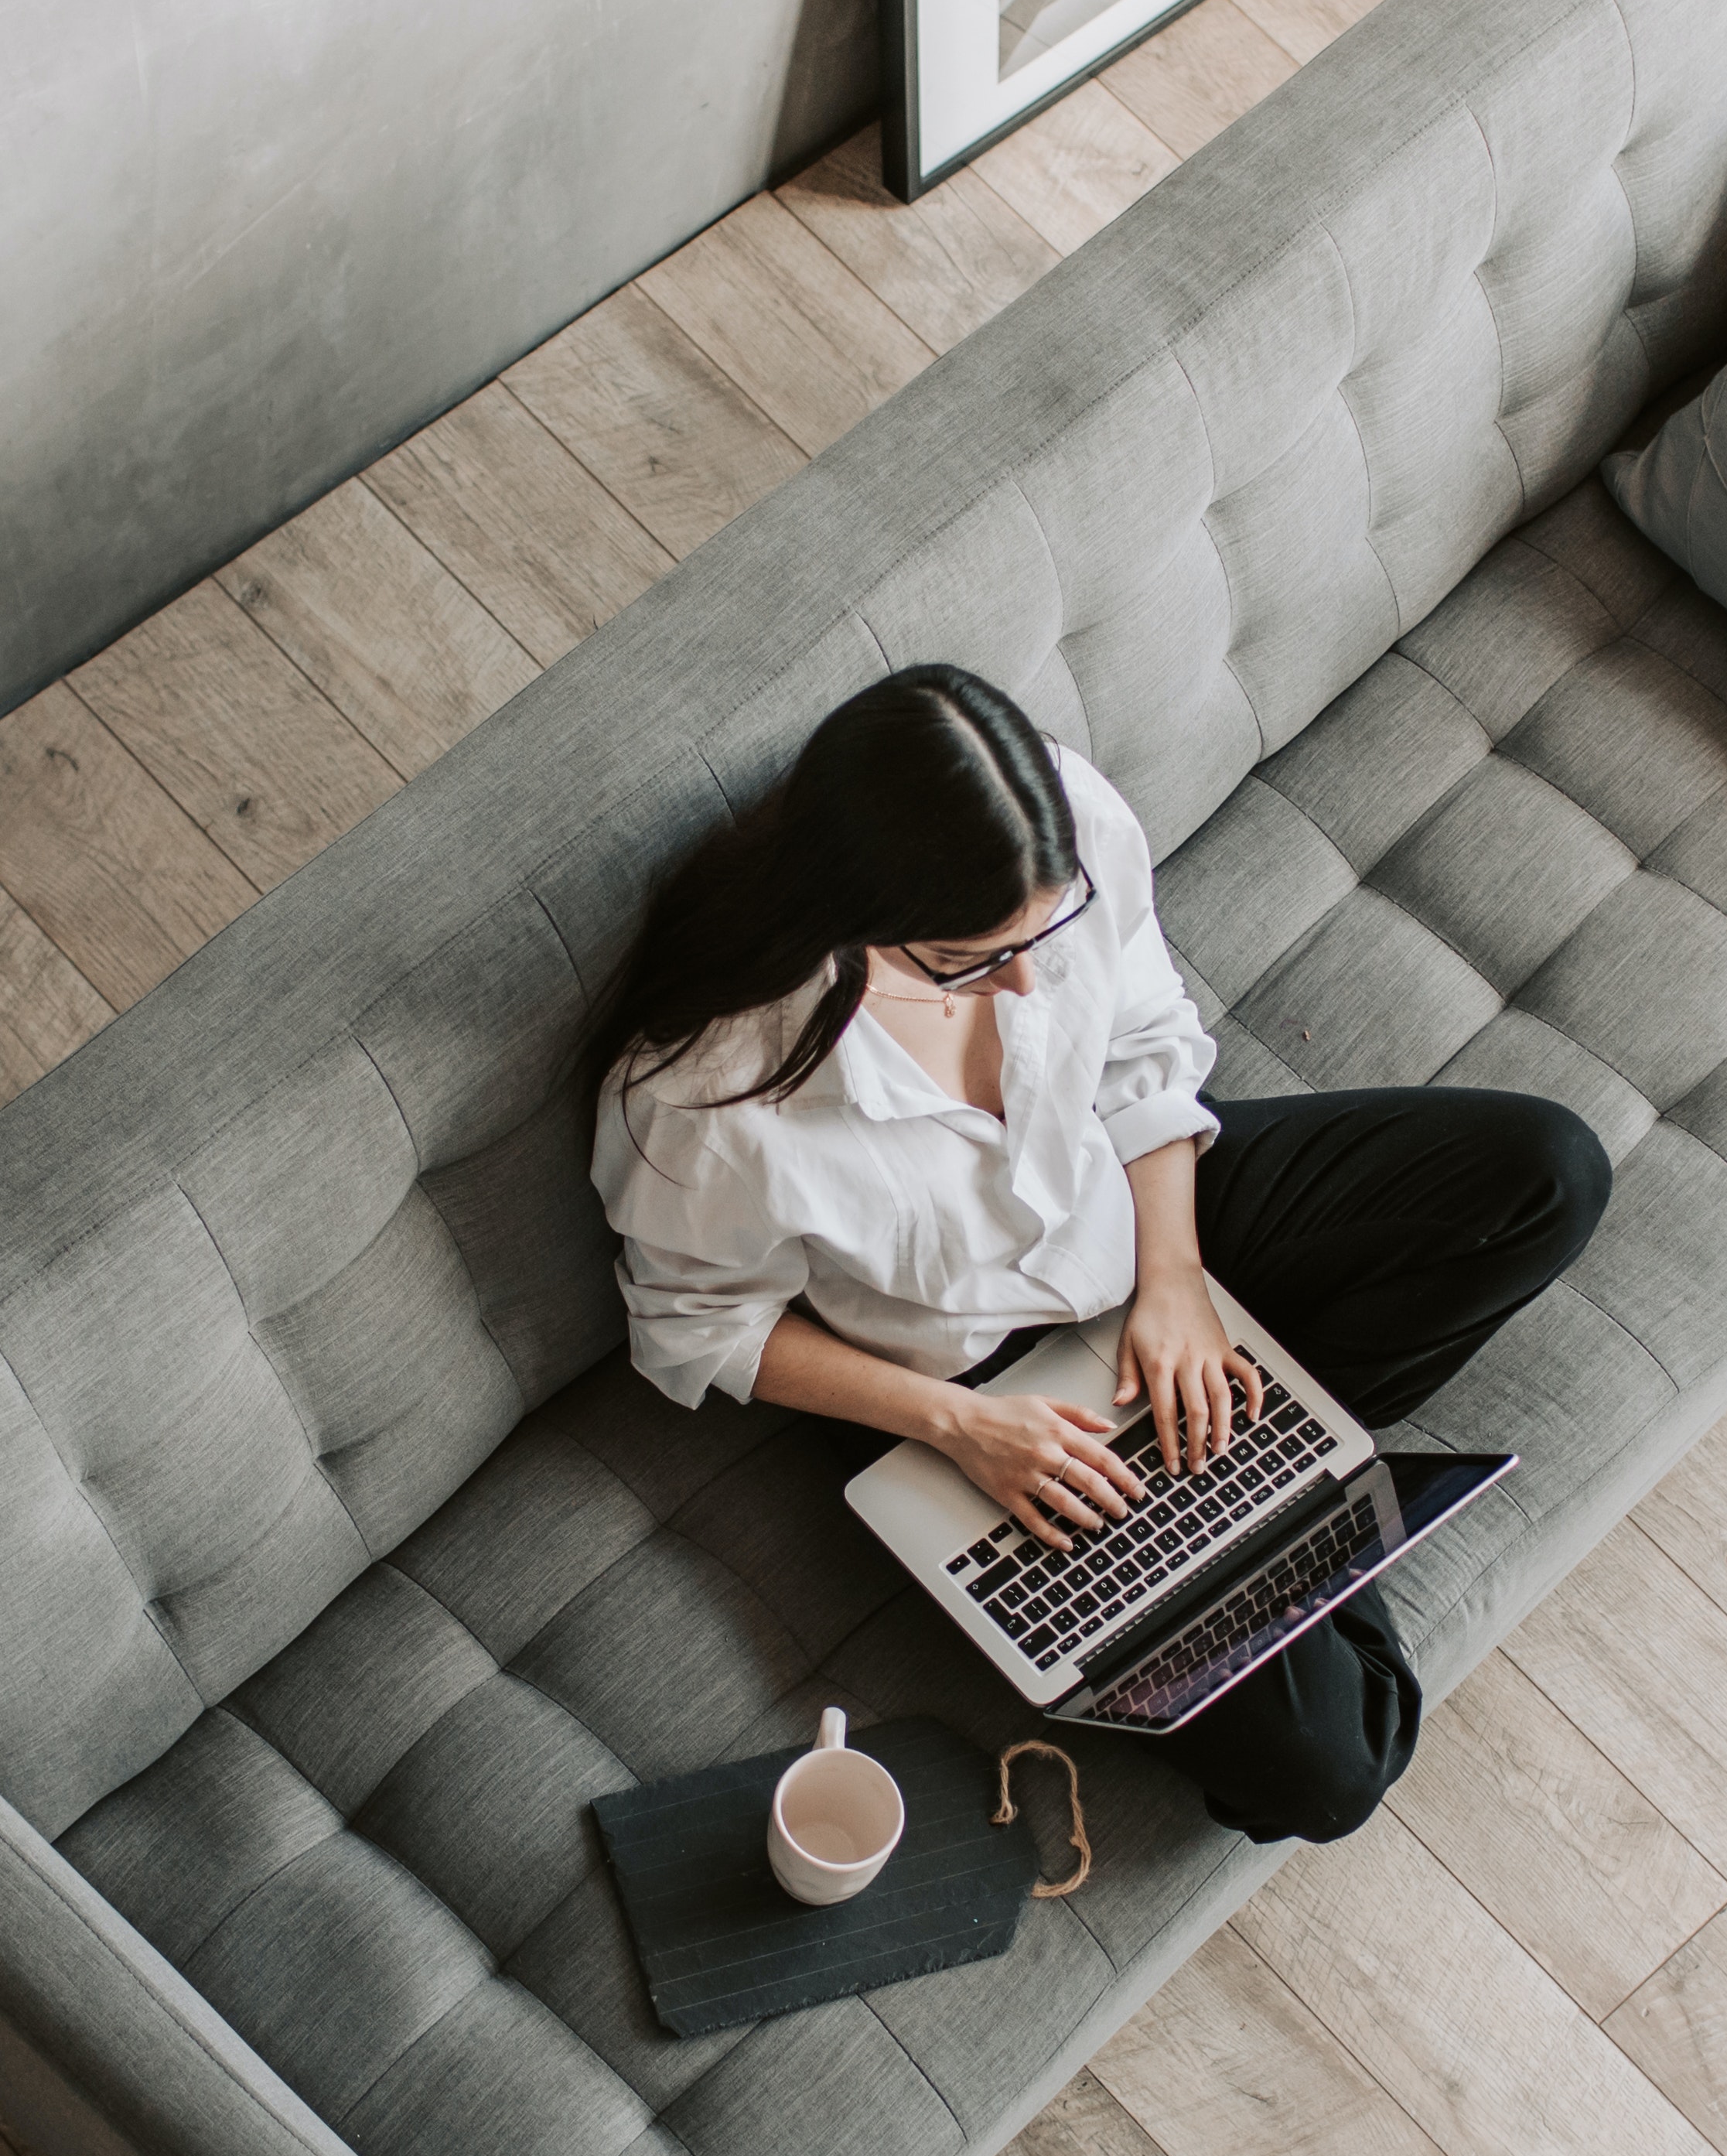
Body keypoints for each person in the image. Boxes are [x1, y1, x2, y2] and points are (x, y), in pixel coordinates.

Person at [585, 663, 1608, 1844]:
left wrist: (1172, 1278)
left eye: (1046, 929)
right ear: (849, 916)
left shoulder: (1061, 825)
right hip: (961, 1379)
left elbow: (1139, 1044)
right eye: (970, 959)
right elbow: (696, 1327)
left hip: (1137, 1211)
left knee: (1545, 1171)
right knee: (1331, 1770)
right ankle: (1262, 1494)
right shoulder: (708, 1092)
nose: (1023, 979)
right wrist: (960, 1427)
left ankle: (1246, 1484)